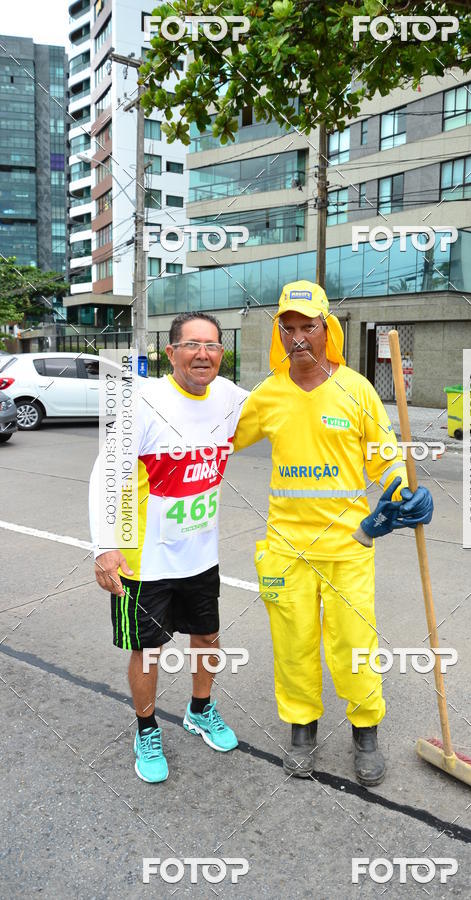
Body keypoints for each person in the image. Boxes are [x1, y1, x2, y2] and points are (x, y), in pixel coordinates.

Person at [233, 281, 433, 786]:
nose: (298, 337)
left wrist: (406, 493)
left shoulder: (357, 390)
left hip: (349, 544)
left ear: (328, 330)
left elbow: (385, 459)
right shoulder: (268, 394)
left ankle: (365, 732)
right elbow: (218, 439)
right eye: (289, 328)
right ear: (279, 333)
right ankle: (302, 730)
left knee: (354, 644)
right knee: (293, 644)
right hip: (287, 548)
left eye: (309, 326)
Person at [89, 312, 248, 783]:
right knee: (149, 650)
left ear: (222, 354)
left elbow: (287, 406)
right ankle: (146, 730)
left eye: (212, 345)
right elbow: (106, 474)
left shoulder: (231, 398)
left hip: (201, 554)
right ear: (171, 352)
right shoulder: (144, 402)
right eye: (192, 344)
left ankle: (201, 709)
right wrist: (104, 546)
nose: (203, 354)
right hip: (144, 558)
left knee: (208, 638)